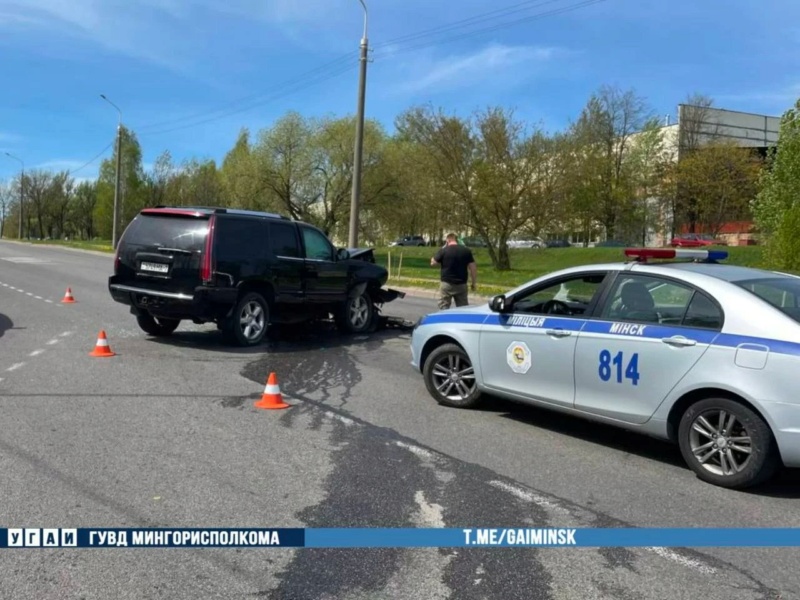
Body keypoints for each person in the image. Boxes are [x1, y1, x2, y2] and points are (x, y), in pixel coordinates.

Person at [431, 232, 477, 310]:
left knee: (444, 307)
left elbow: (433, 263)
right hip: (461, 284)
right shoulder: (466, 251)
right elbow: (473, 268)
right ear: (456, 239)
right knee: (463, 308)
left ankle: (445, 320)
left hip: (446, 284)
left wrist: (443, 248)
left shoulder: (444, 250)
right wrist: (473, 283)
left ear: (448, 240)